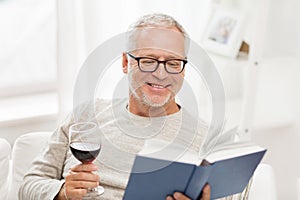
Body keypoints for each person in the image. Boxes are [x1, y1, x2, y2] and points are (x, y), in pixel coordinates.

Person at [19, 13, 250, 200]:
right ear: (125, 63)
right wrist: (62, 193)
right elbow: (28, 185)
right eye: (148, 61)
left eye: (173, 63)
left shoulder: (207, 141)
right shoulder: (85, 116)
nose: (161, 74)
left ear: (183, 68)